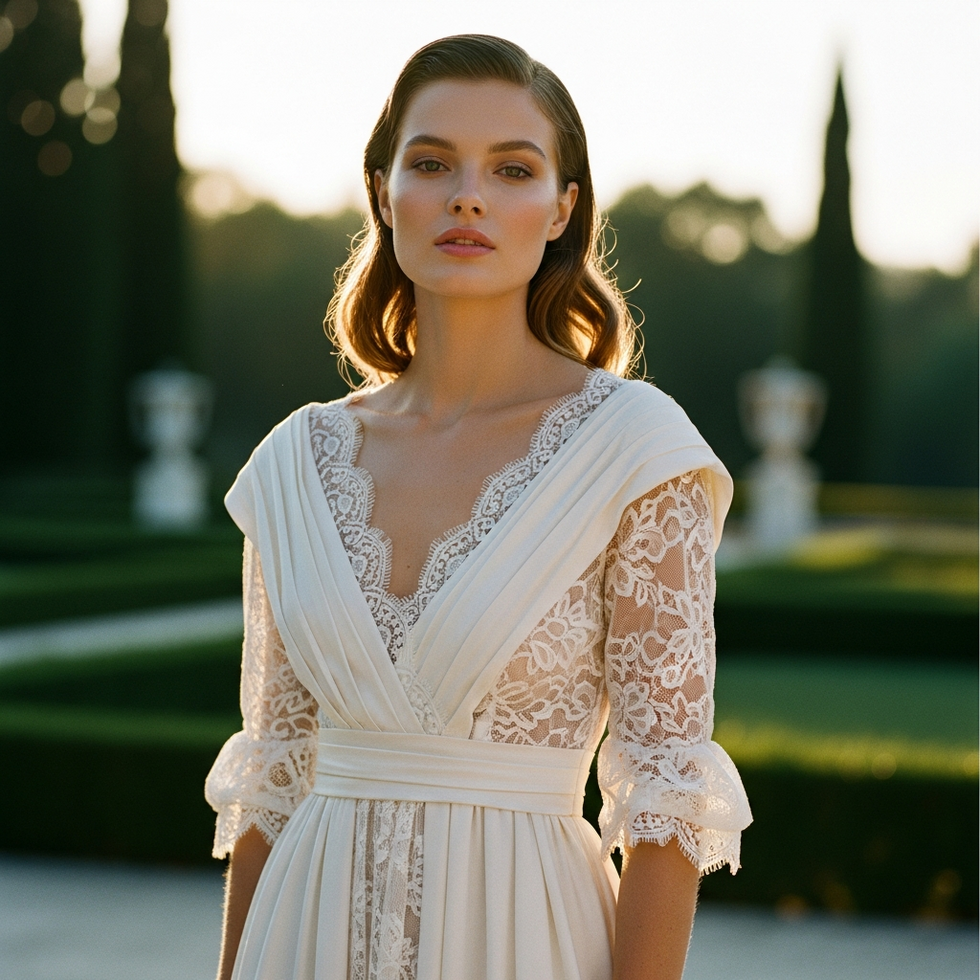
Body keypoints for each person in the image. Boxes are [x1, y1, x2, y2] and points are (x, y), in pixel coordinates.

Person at [205, 34, 752, 980]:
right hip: (301, 940)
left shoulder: (636, 451)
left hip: (527, 939)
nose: (468, 196)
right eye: (432, 163)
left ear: (561, 208)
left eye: (512, 169)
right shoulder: (295, 464)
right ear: (384, 191)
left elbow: (665, 800)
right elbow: (271, 790)